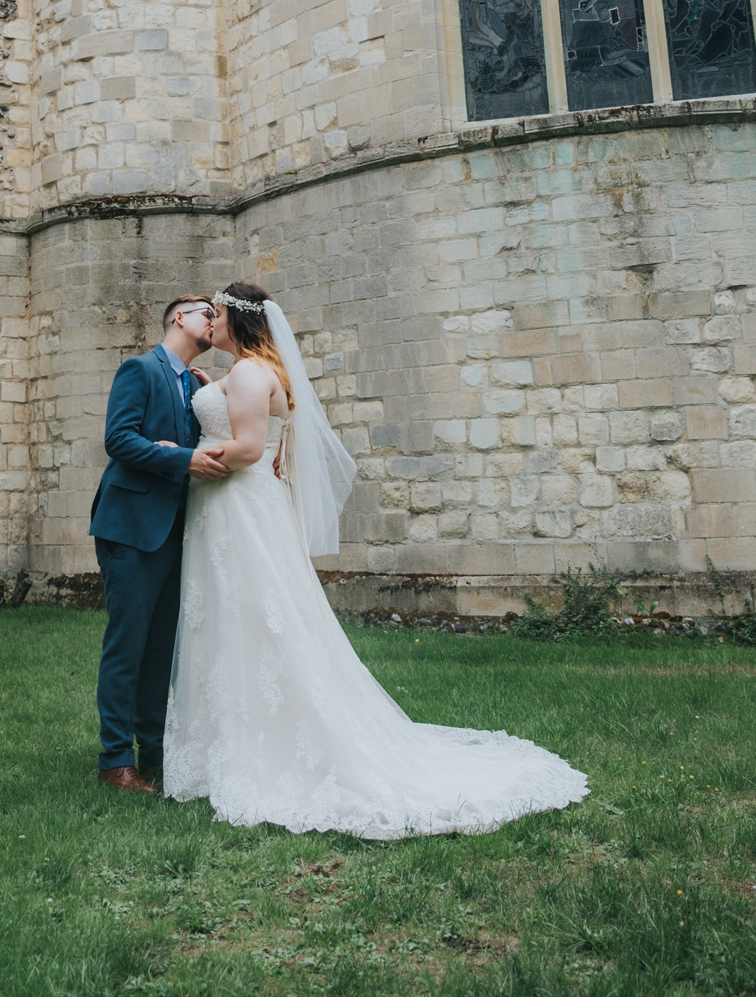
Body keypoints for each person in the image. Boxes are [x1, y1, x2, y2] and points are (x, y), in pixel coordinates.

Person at [163, 282, 589, 838]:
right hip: (237, 509)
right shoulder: (248, 372)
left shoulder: (246, 374)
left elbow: (246, 450)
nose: (210, 323)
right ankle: (232, 735)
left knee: (253, 615)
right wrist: (207, 389)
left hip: (237, 507)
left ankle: (260, 744)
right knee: (241, 614)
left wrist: (181, 453)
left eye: (216, 314)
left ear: (236, 321)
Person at [89, 295, 229, 792]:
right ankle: (114, 761)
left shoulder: (194, 383)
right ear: (178, 318)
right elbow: (119, 439)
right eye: (205, 312)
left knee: (162, 650)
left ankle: (155, 751)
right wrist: (178, 458)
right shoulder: (139, 369)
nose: (213, 319)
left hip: (176, 530)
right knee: (128, 646)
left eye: (217, 313)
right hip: (130, 526)